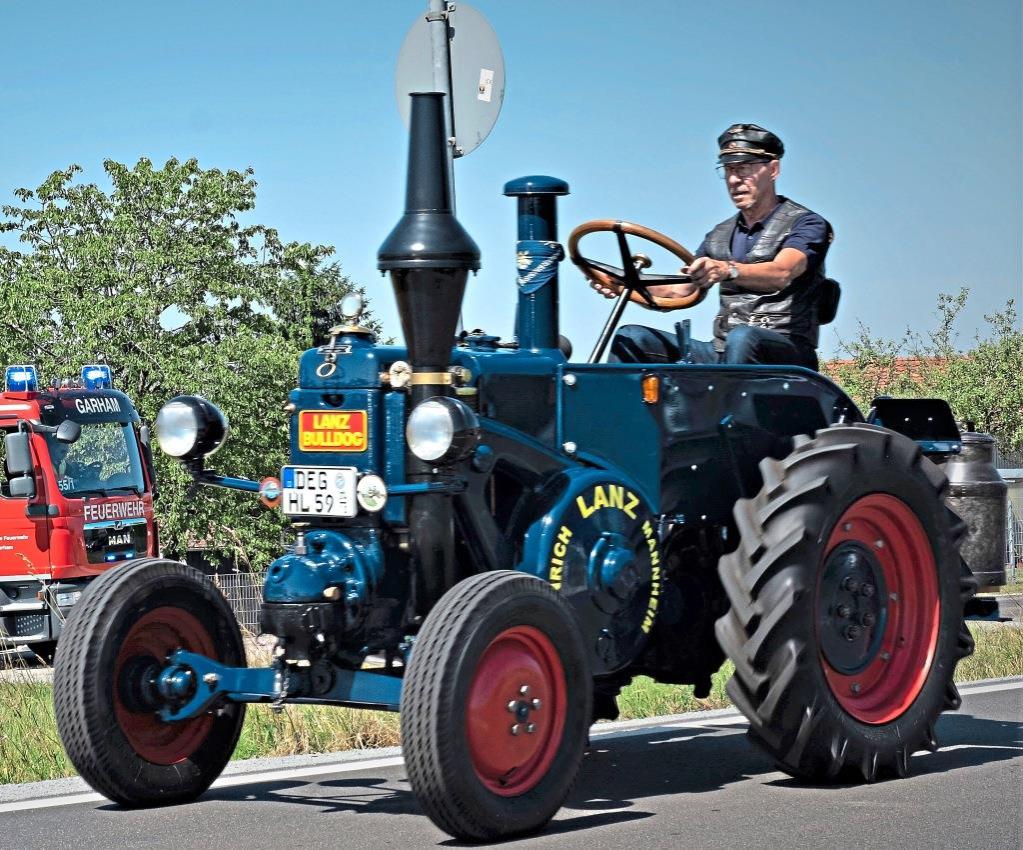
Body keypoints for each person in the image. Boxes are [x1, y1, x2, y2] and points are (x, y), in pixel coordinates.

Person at [605, 123, 833, 370]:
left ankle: (730, 406)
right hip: (723, 351)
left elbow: (782, 272)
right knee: (632, 338)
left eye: (744, 169)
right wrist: (623, 284)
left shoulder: (806, 223)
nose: (734, 180)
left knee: (744, 337)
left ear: (773, 170)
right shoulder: (718, 235)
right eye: (728, 170)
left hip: (787, 352)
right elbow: (680, 291)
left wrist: (728, 270)